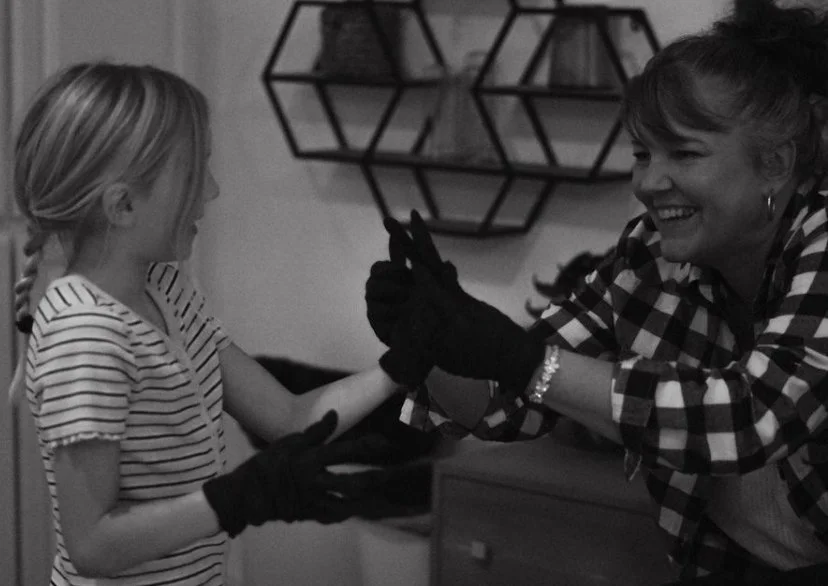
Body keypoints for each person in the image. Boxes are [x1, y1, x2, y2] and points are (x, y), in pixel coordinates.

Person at [365, 0, 828, 582]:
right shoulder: (648, 255)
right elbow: (505, 406)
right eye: (641, 153)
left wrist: (526, 360)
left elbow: (749, 418)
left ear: (776, 163)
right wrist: (432, 341)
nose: (649, 183)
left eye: (685, 153)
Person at [8, 61, 431, 586]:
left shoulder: (167, 290)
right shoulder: (86, 334)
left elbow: (288, 416)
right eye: (194, 173)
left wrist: (400, 367)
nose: (211, 191)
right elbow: (93, 546)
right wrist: (232, 500)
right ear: (123, 205)